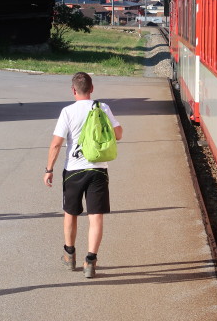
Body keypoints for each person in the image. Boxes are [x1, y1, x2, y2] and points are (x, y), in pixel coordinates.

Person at [44, 72, 122, 279]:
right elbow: (119, 133)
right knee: (95, 217)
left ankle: (69, 256)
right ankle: (91, 261)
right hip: (98, 169)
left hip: (73, 171)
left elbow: (56, 143)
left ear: (73, 90)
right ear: (92, 88)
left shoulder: (67, 112)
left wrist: (49, 169)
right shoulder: (102, 108)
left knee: (71, 213)